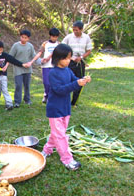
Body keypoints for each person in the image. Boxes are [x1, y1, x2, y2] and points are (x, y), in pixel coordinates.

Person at [40, 43, 90, 171]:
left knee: (58, 132)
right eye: (66, 58)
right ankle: (67, 159)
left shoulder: (67, 70)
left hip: (65, 108)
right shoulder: (53, 73)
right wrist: (76, 84)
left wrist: (82, 80)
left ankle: (47, 150)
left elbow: (74, 81)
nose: (69, 60)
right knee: (60, 135)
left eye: (70, 58)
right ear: (58, 58)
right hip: (55, 109)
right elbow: (59, 90)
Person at [62, 21, 93, 106]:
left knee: (80, 80)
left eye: (76, 30)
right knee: (67, 80)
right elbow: (62, 48)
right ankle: (65, 100)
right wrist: (70, 57)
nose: (75, 31)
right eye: (73, 30)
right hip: (70, 61)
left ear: (81, 30)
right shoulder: (68, 37)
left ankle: (74, 102)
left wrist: (81, 57)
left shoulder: (86, 38)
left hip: (80, 62)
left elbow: (89, 50)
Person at [8, 29, 38, 107]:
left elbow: (34, 56)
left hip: (28, 69)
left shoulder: (30, 46)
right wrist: (6, 65)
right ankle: (17, 101)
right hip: (18, 68)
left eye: (25, 38)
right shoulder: (16, 45)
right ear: (20, 37)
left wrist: (31, 63)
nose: (23, 39)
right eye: (22, 37)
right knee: (18, 85)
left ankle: (27, 99)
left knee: (27, 85)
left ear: (28, 38)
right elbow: (10, 57)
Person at [0, 40, 23, 111]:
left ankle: (9, 104)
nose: (0, 52)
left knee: (5, 89)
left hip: (3, 75)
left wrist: (22, 64)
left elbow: (12, 60)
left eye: (1, 50)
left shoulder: (5, 55)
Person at [33, 28, 60, 103]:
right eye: (53, 36)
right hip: (46, 66)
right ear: (50, 36)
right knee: (46, 82)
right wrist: (38, 59)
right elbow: (40, 52)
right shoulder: (45, 43)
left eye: (56, 37)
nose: (54, 38)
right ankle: (46, 95)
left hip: (55, 66)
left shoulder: (59, 44)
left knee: (53, 82)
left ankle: (51, 98)